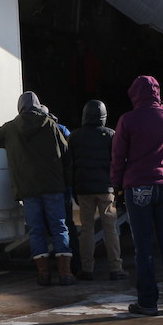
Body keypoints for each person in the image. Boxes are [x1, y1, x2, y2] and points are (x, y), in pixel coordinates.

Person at [0, 92, 74, 285]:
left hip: (28, 190)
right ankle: (65, 274)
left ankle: (43, 275)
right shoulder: (50, 125)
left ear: (19, 107)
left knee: (36, 230)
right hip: (53, 187)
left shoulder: (11, 128)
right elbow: (66, 154)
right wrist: (68, 183)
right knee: (59, 227)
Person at [110, 75, 163, 316]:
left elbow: (118, 156)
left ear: (135, 94)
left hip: (139, 185)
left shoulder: (127, 120)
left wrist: (117, 186)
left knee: (144, 246)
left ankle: (147, 302)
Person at [69, 99, 127, 280]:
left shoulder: (74, 136)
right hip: (105, 189)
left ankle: (87, 269)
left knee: (86, 229)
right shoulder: (111, 135)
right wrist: (118, 186)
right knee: (111, 228)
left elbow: (70, 165)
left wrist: (74, 189)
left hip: (84, 189)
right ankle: (115, 268)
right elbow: (118, 162)